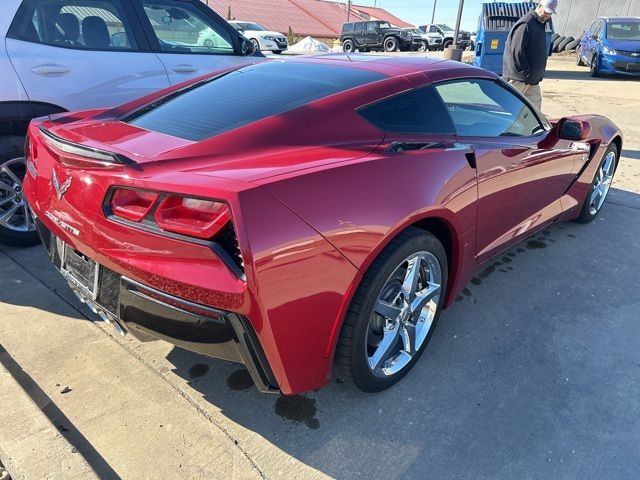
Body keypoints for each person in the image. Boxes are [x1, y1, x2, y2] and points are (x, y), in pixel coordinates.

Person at [502, 0, 558, 111]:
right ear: (540, 6)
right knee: (510, 112)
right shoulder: (526, 24)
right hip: (518, 80)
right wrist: (526, 73)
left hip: (532, 81)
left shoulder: (539, 24)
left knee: (535, 113)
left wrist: (535, 75)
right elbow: (516, 52)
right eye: (547, 12)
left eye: (551, 13)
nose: (548, 15)